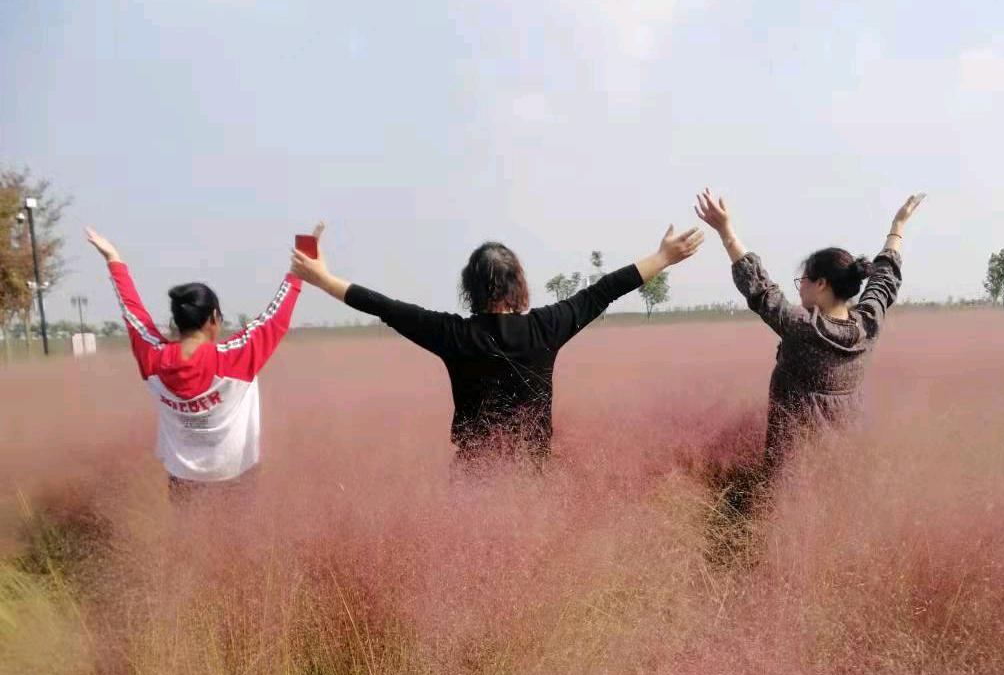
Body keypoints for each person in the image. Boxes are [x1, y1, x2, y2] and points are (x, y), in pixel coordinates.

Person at [287, 225, 704, 463]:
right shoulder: (547, 327)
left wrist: (324, 279)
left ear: (469, 287)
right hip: (532, 479)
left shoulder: (453, 335)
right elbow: (603, 291)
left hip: (474, 478)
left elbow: (387, 308)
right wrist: (663, 257)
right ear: (519, 285)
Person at [694, 189, 925, 471]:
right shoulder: (868, 324)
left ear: (821, 284)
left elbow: (759, 289)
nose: (799, 286)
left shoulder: (805, 330)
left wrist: (726, 231)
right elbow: (885, 280)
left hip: (794, 472)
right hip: (848, 464)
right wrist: (898, 227)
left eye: (802, 279)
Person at [86, 224, 320, 497]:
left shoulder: (153, 358)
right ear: (213, 319)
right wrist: (299, 267)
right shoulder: (235, 358)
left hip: (183, 480)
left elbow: (132, 312)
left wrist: (113, 259)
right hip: (236, 478)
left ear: (176, 322)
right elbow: (275, 316)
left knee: (187, 537)